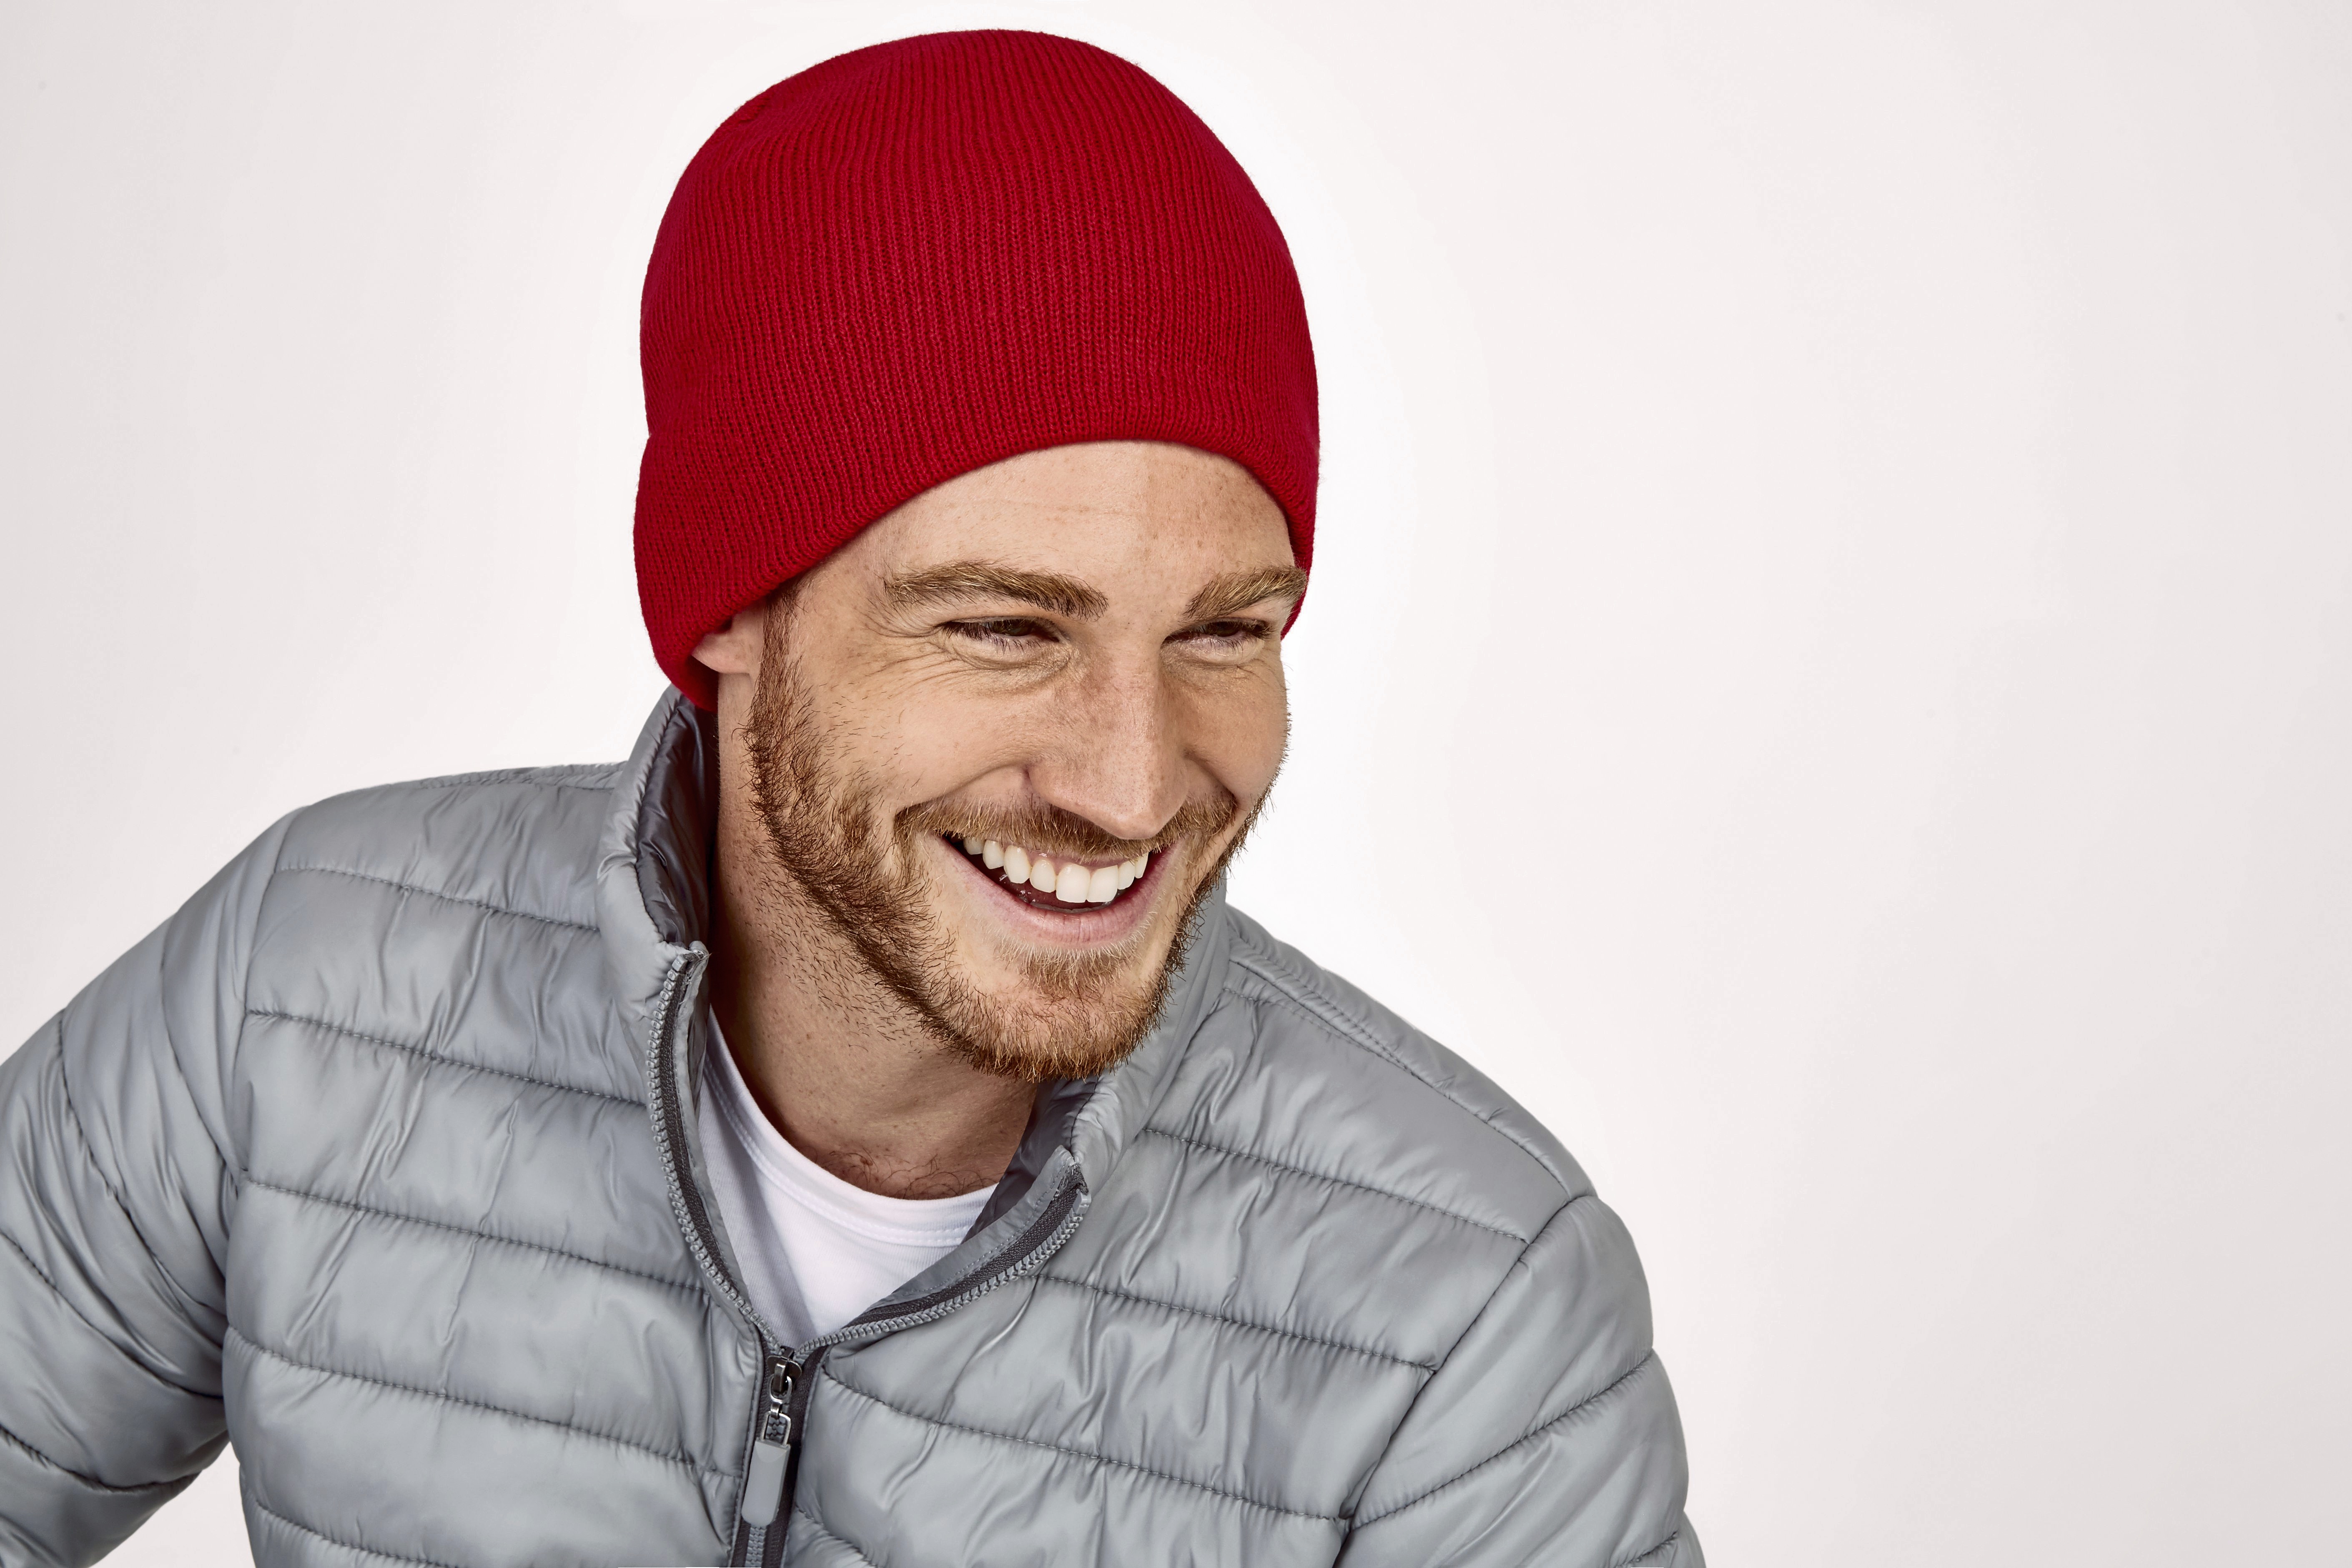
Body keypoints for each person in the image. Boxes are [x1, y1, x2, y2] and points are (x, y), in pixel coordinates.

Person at [0, 30, 1697, 1568]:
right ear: (728, 610)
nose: (1128, 782)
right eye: (1006, 627)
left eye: (1223, 632)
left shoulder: (1470, 1315)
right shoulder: (308, 990)